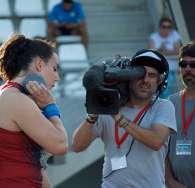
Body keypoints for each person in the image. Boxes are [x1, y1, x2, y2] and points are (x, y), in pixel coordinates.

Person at [72, 49, 177, 187]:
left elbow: (156, 141)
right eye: (141, 74)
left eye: (152, 75)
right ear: (129, 77)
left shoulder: (163, 107)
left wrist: (120, 119)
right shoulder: (109, 106)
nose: (145, 80)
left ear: (160, 81)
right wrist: (93, 114)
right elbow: (78, 146)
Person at [0, 34, 68, 188]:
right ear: (39, 64)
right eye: (54, 69)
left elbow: (31, 162)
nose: (57, 78)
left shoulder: (3, 92)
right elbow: (60, 145)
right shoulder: (18, 100)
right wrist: (50, 107)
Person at [165, 41, 195, 188]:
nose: (188, 69)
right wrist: (169, 181)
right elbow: (161, 149)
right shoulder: (170, 102)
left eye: (193, 65)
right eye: (183, 65)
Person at [149, 17, 183, 98]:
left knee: (167, 88)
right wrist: (161, 50)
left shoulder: (174, 35)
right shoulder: (154, 36)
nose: (166, 29)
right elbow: (150, 52)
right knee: (156, 87)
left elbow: (179, 51)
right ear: (160, 27)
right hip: (157, 67)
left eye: (169, 27)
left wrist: (163, 52)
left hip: (170, 68)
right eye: (164, 27)